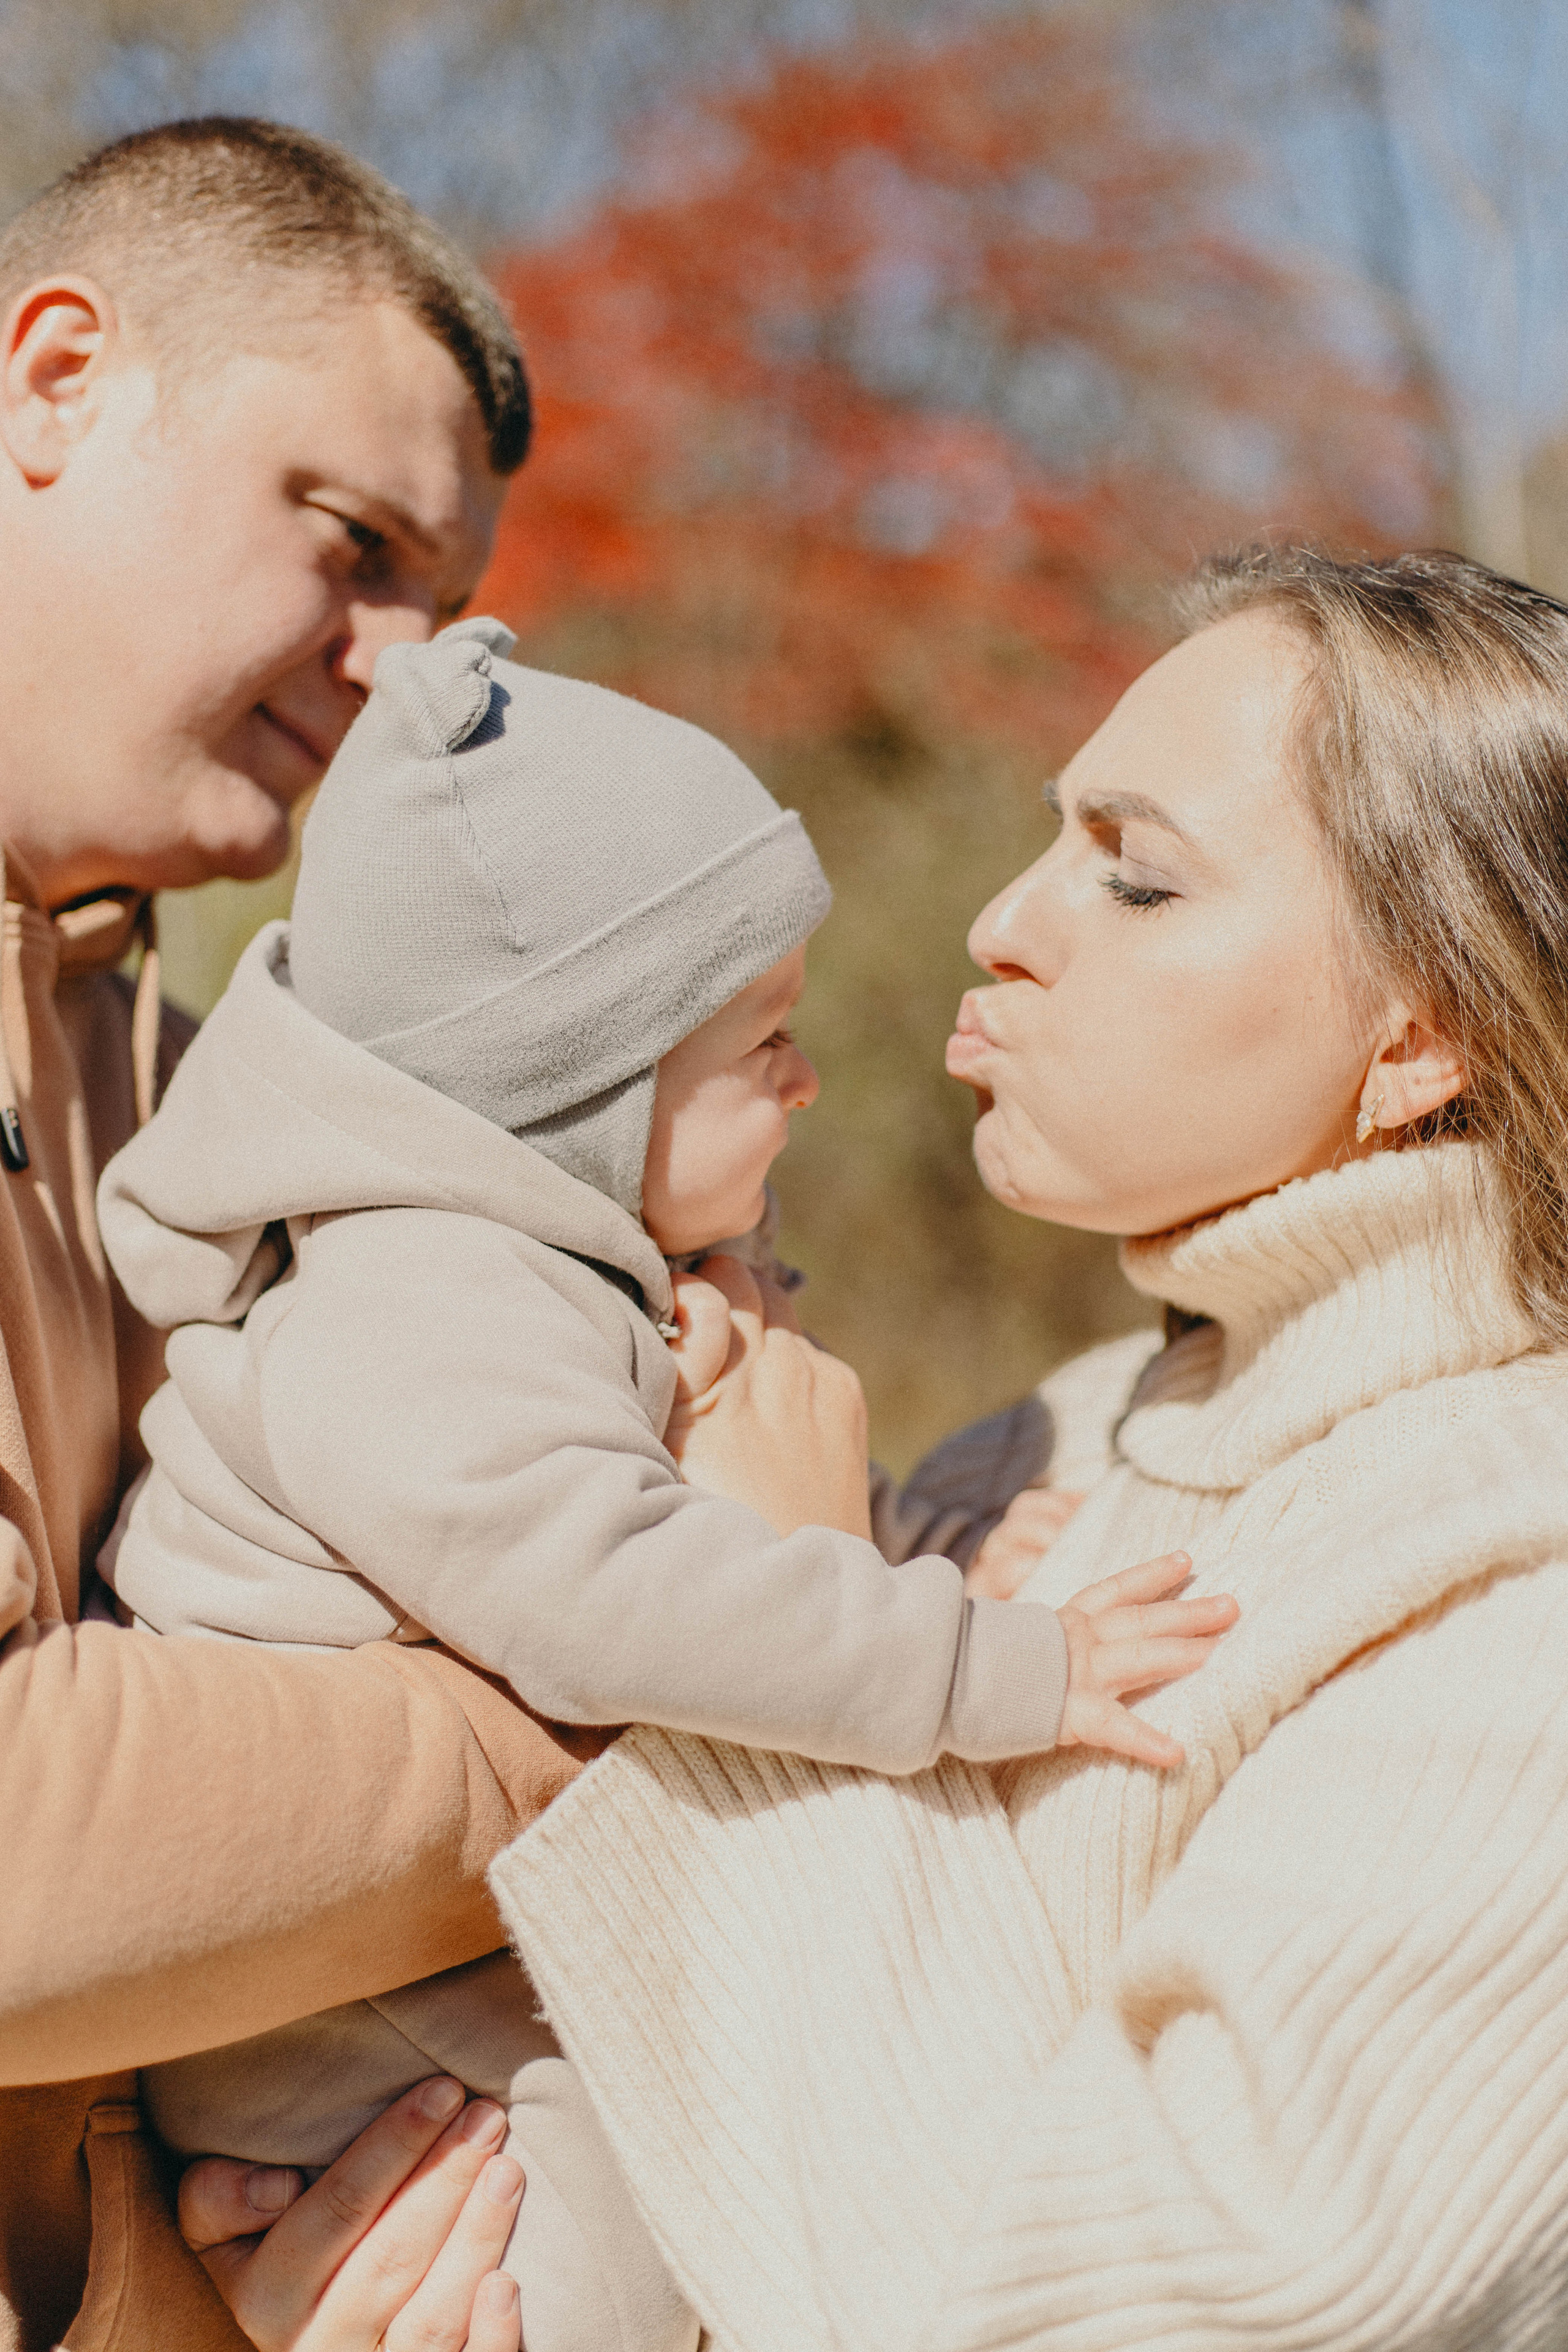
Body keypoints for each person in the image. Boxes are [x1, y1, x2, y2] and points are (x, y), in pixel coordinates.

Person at [91, 619, 1234, 2351]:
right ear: (573, 1094)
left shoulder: (584, 1265)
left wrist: (919, 1545)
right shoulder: (428, 1296)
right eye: (758, 1046)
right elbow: (615, 1593)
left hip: (445, 1954)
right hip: (342, 2011)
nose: (812, 1076)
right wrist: (1000, 1668)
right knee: (636, 2237)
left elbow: (721, 1518)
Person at [488, 546, 1568, 2348]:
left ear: (1425, 1033)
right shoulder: (1054, 1432)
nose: (1003, 918)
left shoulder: (1511, 1604)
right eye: (1058, 836)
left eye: (1136, 878)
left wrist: (795, 1620)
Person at [0, 116, 592, 2352]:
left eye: (431, 612)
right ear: (57, 379)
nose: (389, 668)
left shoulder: (184, 1060)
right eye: (347, 541)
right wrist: (629, 1692)